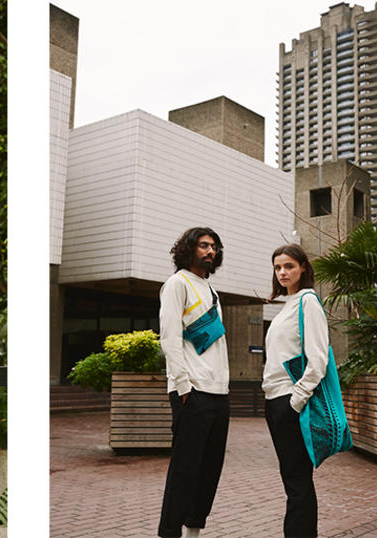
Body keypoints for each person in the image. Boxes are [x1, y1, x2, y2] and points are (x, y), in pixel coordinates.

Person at [157, 227, 230, 538]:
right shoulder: (177, 284)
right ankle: (170, 532)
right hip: (193, 392)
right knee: (185, 470)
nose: (209, 251)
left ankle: (193, 533)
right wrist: (183, 385)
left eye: (213, 246)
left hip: (219, 392)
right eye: (203, 245)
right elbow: (170, 338)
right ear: (188, 249)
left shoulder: (211, 290)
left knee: (209, 469)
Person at [262, 244, 327, 538]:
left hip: (289, 401)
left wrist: (295, 401)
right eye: (278, 267)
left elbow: (318, 360)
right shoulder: (287, 305)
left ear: (303, 268)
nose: (283, 272)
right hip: (274, 399)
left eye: (289, 266)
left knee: (298, 481)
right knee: (292, 479)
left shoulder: (307, 301)